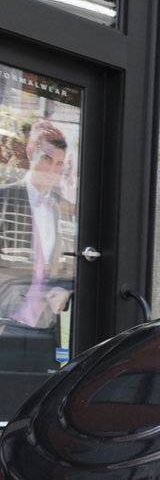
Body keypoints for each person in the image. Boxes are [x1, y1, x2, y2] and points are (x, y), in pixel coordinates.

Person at [0, 119, 74, 371]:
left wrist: (66, 291)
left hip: (45, 329)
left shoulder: (65, 209)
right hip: (5, 323)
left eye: (59, 164)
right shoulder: (3, 199)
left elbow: (73, 265)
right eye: (47, 159)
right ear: (31, 153)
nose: (53, 170)